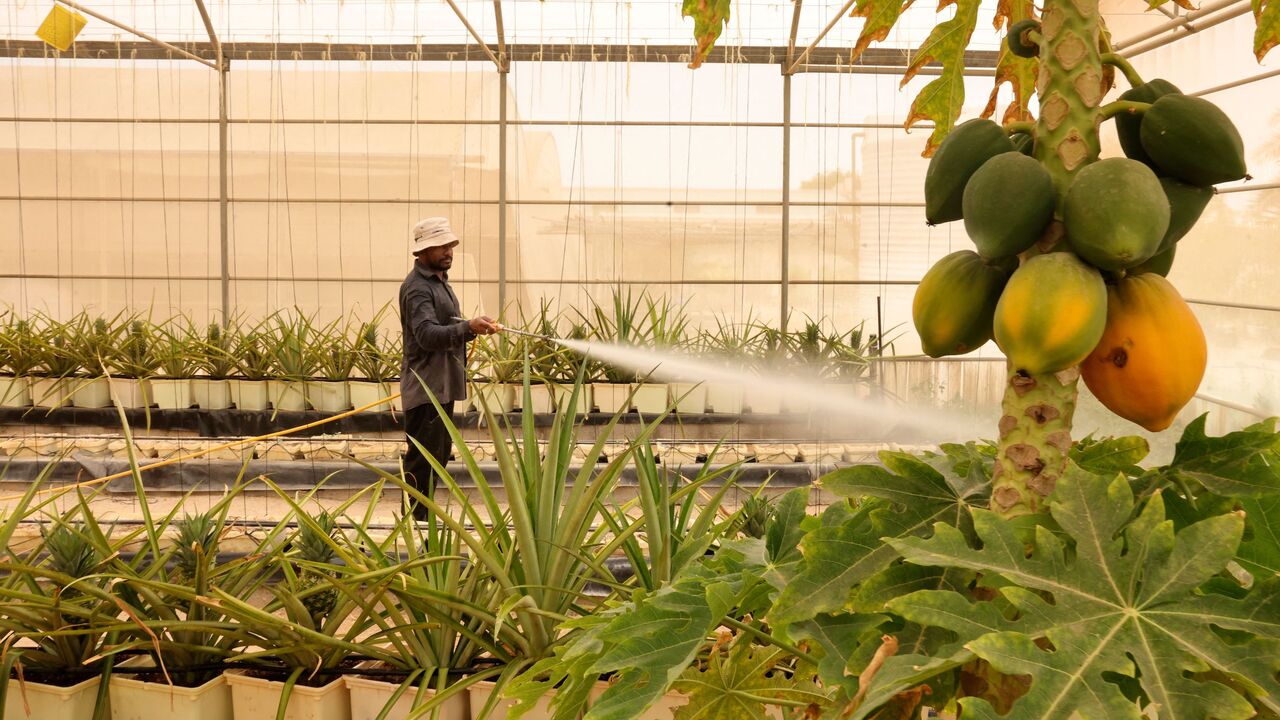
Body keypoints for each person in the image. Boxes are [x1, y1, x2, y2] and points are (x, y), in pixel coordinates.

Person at [399, 217, 499, 520]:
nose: (448, 251)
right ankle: (417, 524)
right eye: (439, 246)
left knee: (437, 457)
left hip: (440, 386)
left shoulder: (439, 283)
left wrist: (473, 327)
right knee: (423, 459)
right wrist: (468, 326)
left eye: (449, 245)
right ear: (422, 252)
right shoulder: (418, 289)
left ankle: (422, 518)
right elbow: (427, 335)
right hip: (426, 388)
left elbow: (448, 326)